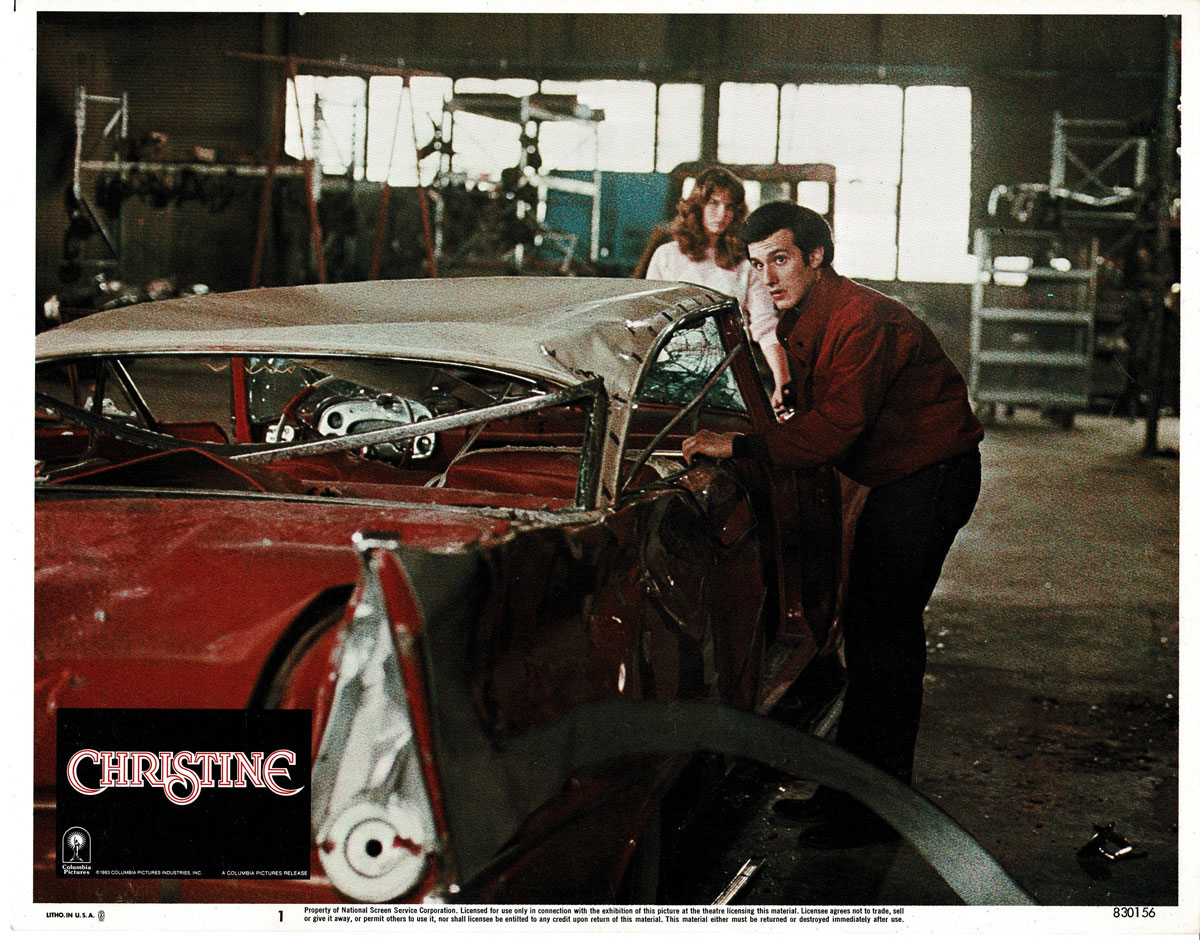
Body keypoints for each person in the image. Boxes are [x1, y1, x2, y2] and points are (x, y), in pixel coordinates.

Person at [681, 201, 985, 849]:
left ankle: (876, 810)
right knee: (870, 630)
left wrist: (737, 447)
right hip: (899, 473)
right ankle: (856, 792)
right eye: (757, 264)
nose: (767, 277)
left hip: (929, 475)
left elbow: (834, 431)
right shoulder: (808, 314)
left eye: (780, 259)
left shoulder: (861, 319)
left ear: (816, 256)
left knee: (883, 634)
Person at [639, 166, 790, 404]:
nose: (722, 214)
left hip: (728, 376)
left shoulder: (746, 263)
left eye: (729, 207)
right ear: (697, 206)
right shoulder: (667, 256)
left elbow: (765, 326)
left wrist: (783, 382)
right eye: (713, 203)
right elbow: (649, 324)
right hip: (670, 374)